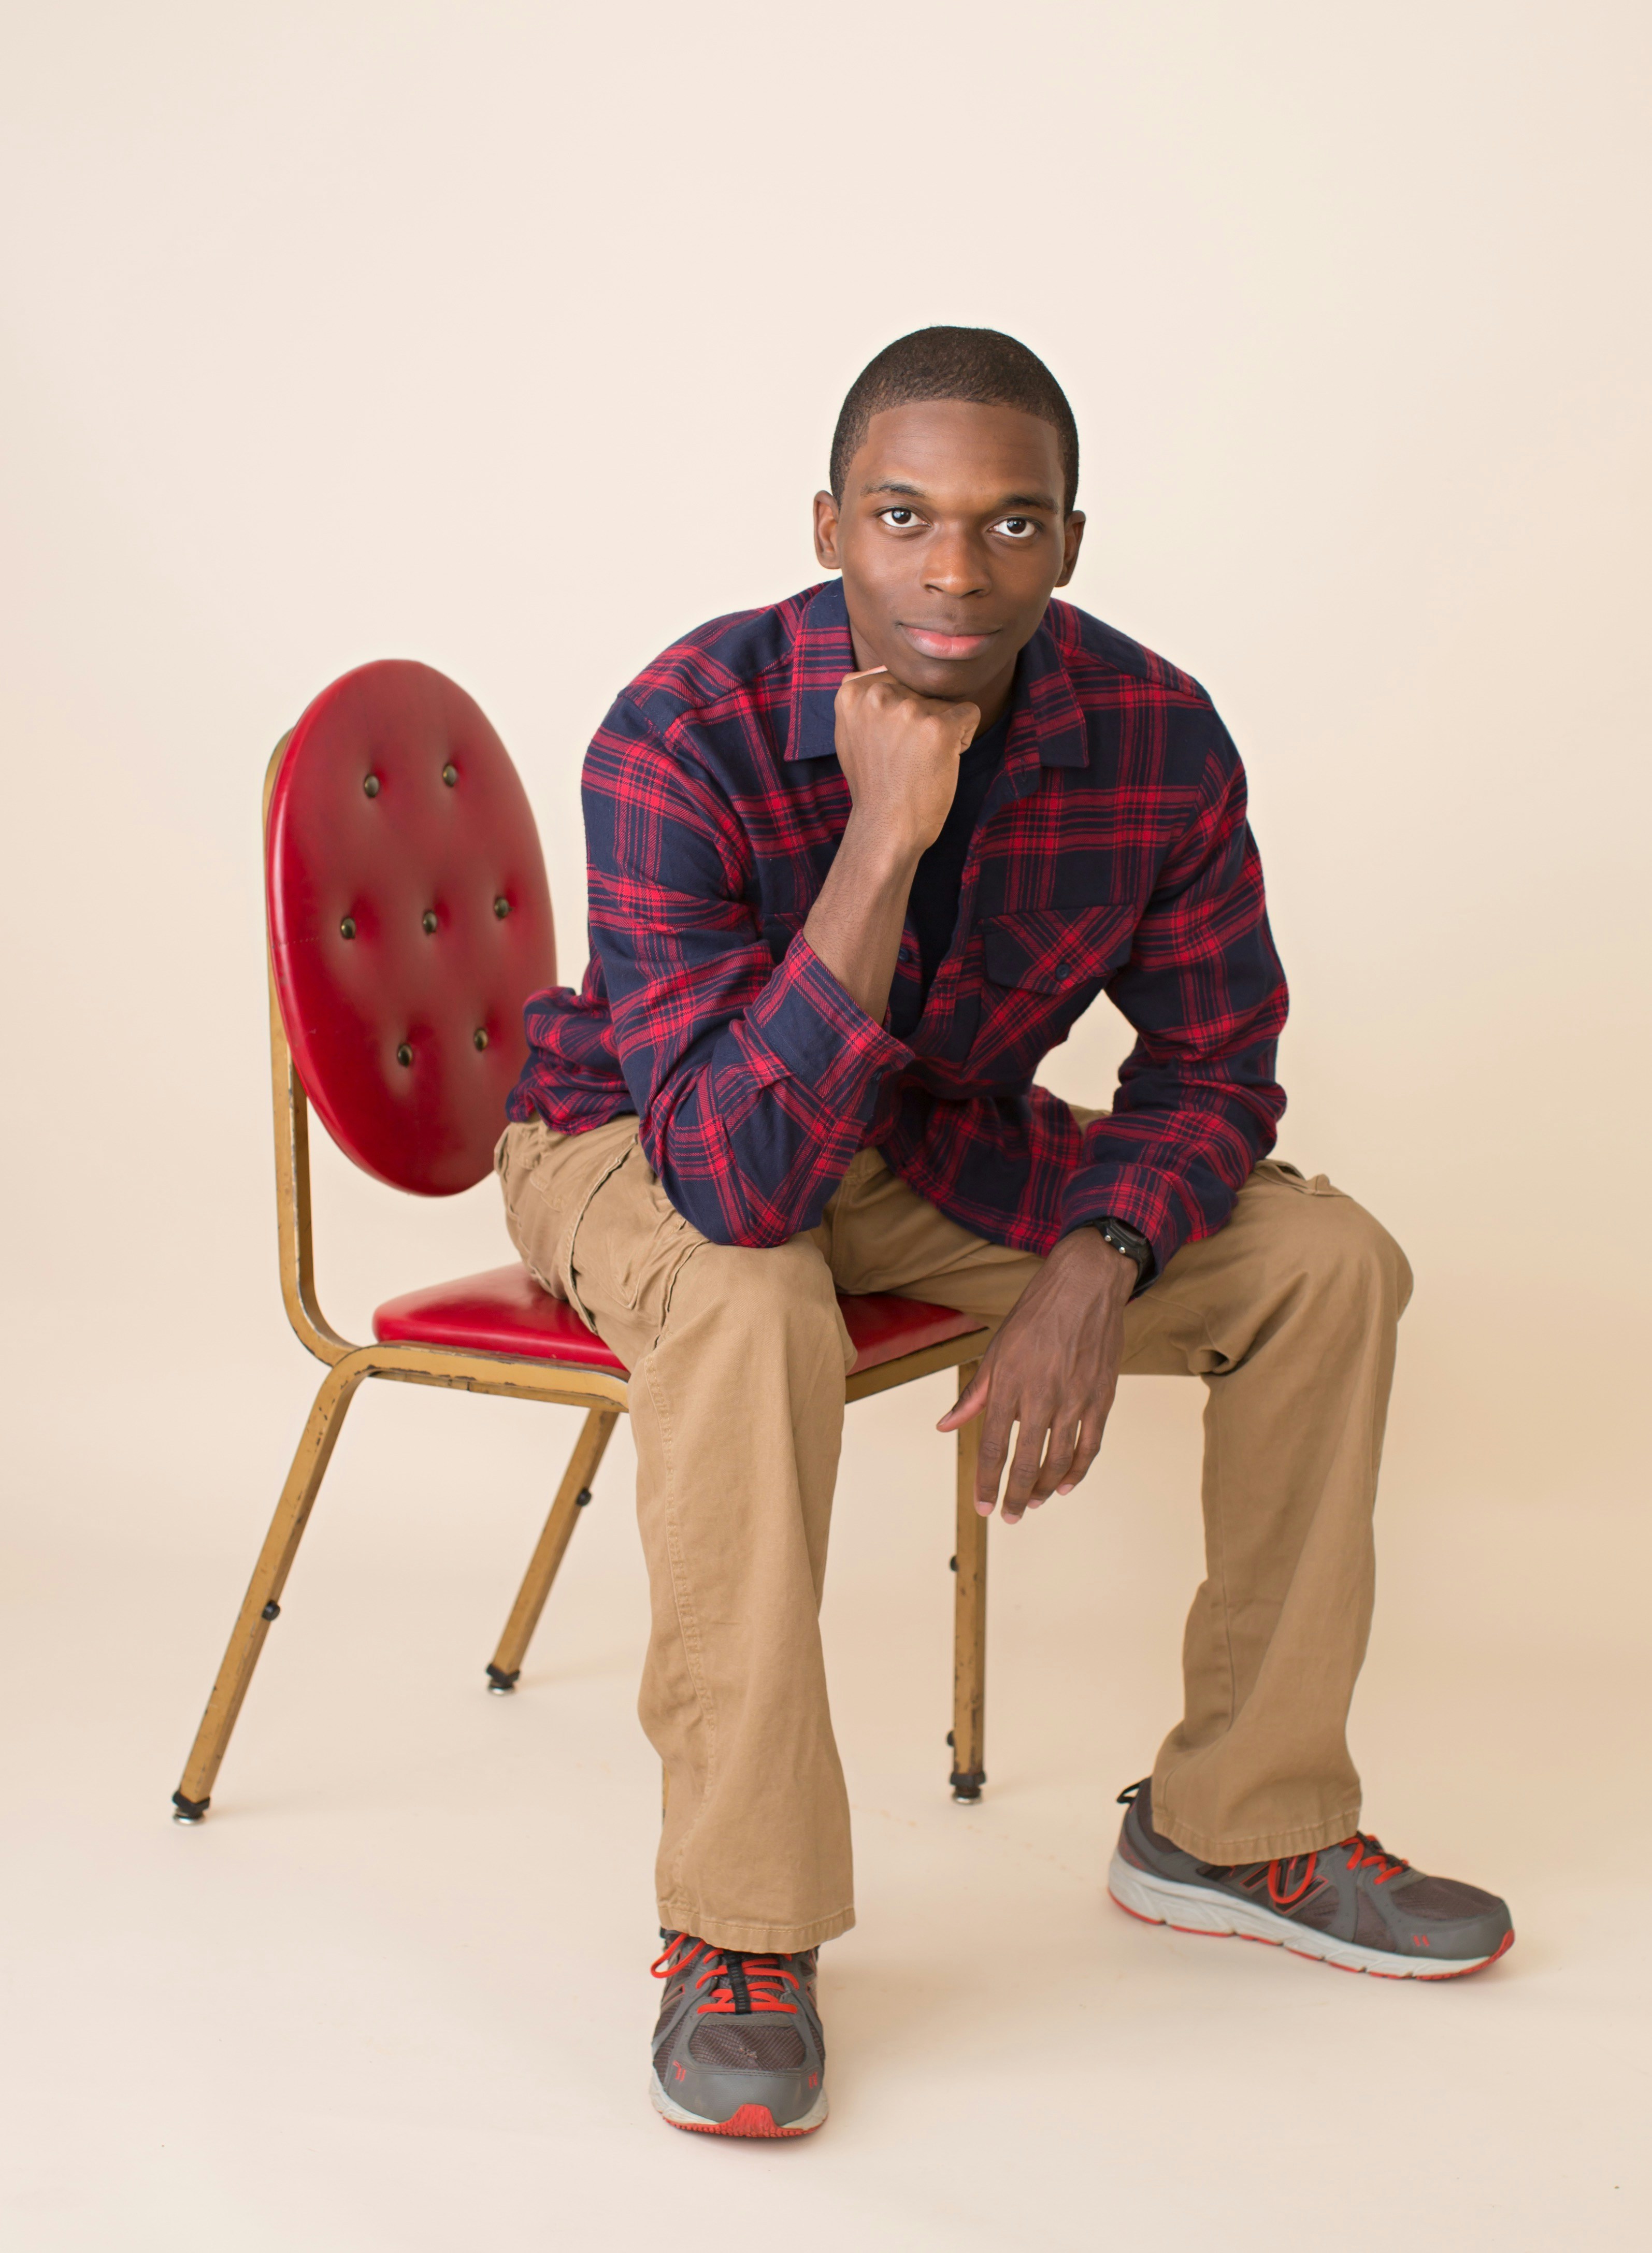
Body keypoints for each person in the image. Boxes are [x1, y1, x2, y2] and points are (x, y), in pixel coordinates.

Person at [495, 327, 1513, 2139]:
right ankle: (739, 1929)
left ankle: (1239, 1824)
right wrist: (885, 835)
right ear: (829, 526)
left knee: (1326, 1264)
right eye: (905, 516)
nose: (955, 571)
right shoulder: (686, 728)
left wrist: (1096, 1259)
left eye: (1008, 522)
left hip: (941, 1146)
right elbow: (736, 1177)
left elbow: (1218, 1064)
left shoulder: (1155, 734)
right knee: (751, 1306)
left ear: (1070, 541)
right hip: (637, 1138)